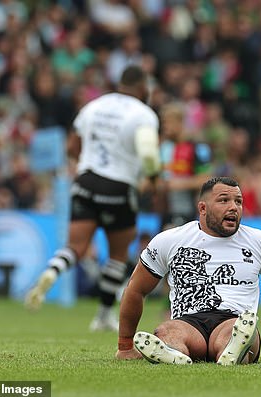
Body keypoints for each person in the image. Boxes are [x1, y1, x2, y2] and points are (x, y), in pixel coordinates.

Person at [25, 65, 161, 332]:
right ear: (143, 87)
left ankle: (51, 271)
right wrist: (153, 178)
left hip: (85, 181)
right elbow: (148, 153)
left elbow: (72, 146)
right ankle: (102, 315)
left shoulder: (94, 106)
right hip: (118, 186)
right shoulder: (144, 114)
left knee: (75, 247)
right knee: (118, 255)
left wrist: (84, 163)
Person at [115, 176, 261, 365]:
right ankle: (174, 351)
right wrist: (125, 346)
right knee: (168, 331)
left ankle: (233, 349)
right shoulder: (170, 240)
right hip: (188, 322)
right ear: (202, 208)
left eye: (238, 201)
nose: (234, 207)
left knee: (234, 332)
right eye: (224, 200)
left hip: (234, 319)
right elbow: (136, 289)